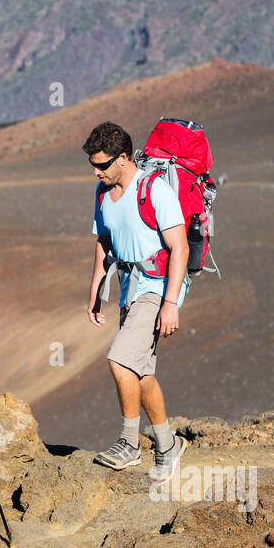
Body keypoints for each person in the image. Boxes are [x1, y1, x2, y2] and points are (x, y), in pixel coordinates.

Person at [83, 121, 190, 481]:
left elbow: (180, 247)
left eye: (102, 165)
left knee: (119, 359)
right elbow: (104, 243)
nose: (96, 172)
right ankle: (168, 445)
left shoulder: (154, 190)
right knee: (140, 373)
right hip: (129, 286)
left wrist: (171, 302)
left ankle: (129, 443)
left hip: (157, 287)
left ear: (124, 158)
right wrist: (95, 291)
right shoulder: (102, 192)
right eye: (93, 165)